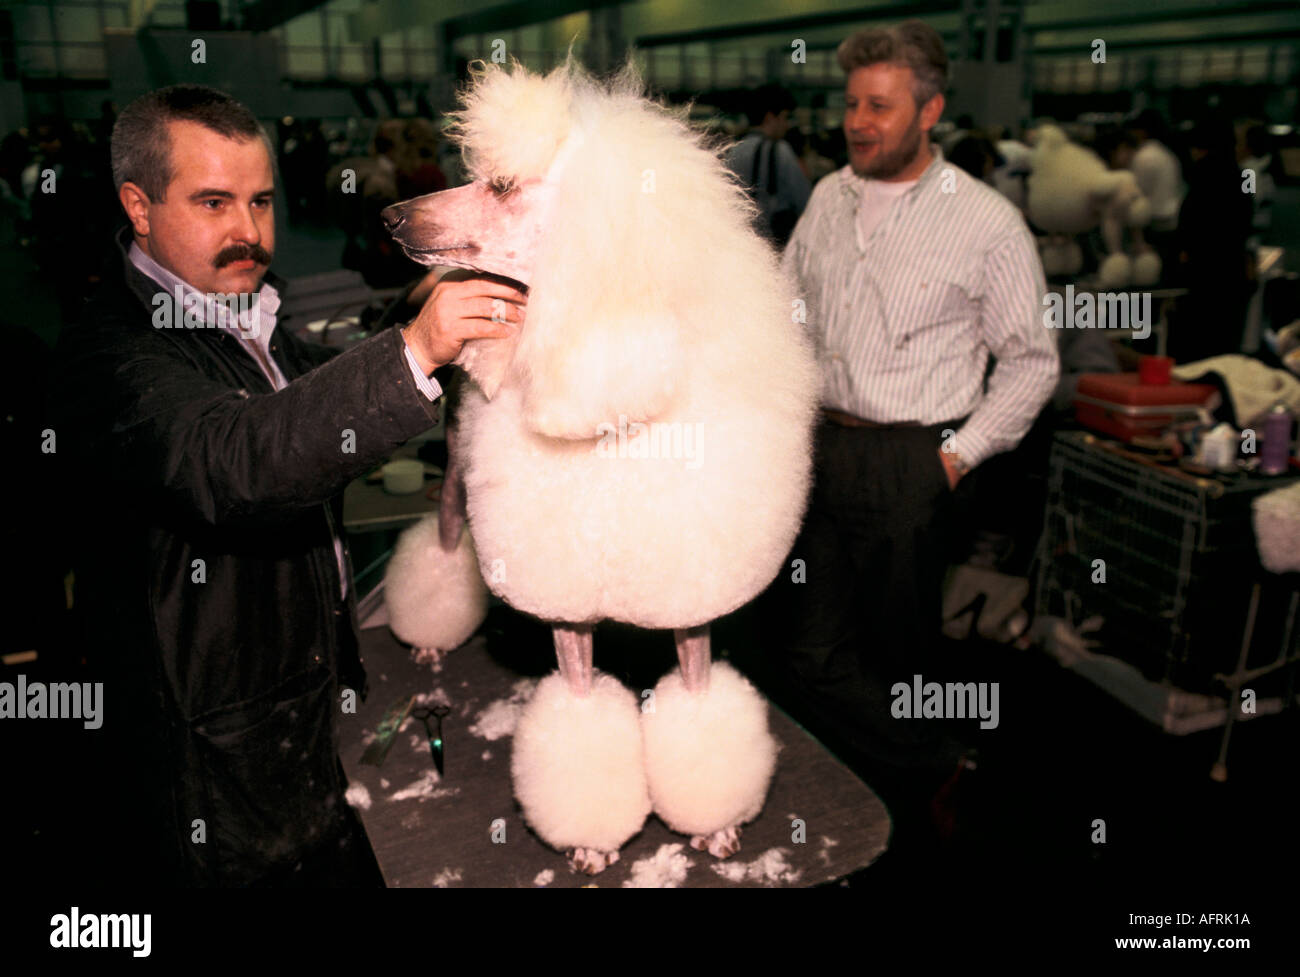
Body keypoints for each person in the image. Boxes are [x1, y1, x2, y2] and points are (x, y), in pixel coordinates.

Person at [48, 84, 524, 886]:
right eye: (213, 202)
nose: (249, 231)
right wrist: (414, 348)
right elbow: (237, 458)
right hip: (214, 763)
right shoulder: (113, 359)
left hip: (297, 715)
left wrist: (408, 321)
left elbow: (303, 410)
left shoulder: (237, 314)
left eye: (262, 200)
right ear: (138, 204)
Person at [773, 20, 1058, 819]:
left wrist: (957, 457)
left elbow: (1031, 360)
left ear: (930, 111)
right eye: (852, 103)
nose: (859, 121)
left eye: (881, 105)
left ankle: (903, 804)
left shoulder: (986, 221)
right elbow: (784, 307)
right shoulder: (828, 197)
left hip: (915, 458)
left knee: (900, 654)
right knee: (807, 650)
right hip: (824, 444)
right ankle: (935, 761)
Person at [726, 83, 811, 246]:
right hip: (774, 242)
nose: (786, 125)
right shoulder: (780, 150)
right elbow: (804, 200)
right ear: (770, 118)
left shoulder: (733, 151)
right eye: (785, 118)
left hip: (742, 242)